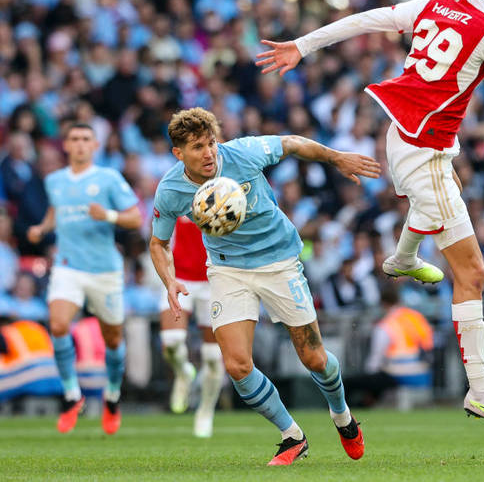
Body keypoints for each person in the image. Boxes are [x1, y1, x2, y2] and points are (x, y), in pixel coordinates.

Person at [257, 0, 484, 431]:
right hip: (424, 148)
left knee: (449, 226)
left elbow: (366, 19)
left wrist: (302, 46)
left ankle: (405, 258)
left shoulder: (435, 3)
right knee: (472, 272)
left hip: (410, 138)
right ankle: (481, 390)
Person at [149, 108, 380, 466]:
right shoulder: (171, 190)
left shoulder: (243, 152)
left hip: (279, 263)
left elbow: (292, 143)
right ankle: (292, 436)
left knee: (314, 358)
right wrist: (169, 279)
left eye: (210, 143)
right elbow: (158, 242)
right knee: (237, 365)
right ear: (179, 153)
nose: (208, 153)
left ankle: (342, 416)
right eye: (197, 147)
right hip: (228, 270)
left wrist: (336, 158)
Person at [27, 122, 142, 435]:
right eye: (74, 139)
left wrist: (107, 215)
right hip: (68, 266)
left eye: (85, 139)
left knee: (113, 339)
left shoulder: (108, 178)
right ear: (65, 145)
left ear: (95, 146)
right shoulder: (54, 180)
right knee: (59, 324)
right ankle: (71, 395)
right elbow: (57, 212)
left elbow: (136, 217)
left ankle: (113, 395)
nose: (79, 144)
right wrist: (42, 228)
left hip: (104, 270)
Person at [158, 216, 223, 438]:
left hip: (213, 278)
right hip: (179, 276)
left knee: (213, 356)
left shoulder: (223, 190)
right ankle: (183, 372)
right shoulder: (176, 188)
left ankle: (205, 410)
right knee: (171, 341)